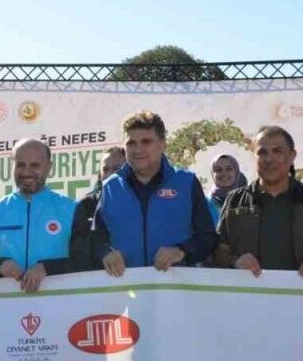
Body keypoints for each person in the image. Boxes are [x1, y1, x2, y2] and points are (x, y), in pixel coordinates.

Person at [93, 112, 218, 276]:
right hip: (126, 287)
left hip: (175, 286)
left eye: (146, 141)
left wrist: (182, 251)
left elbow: (208, 238)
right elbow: (95, 238)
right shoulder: (110, 187)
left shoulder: (186, 182)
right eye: (131, 143)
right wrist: (105, 253)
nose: (138, 149)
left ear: (163, 144)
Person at [212, 127, 303, 277]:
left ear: (292, 156)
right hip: (249, 290)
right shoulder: (235, 201)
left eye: (277, 151)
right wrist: (234, 262)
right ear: (254, 156)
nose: (269, 159)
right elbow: (220, 252)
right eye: (262, 152)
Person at [0, 139, 76, 293]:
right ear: (12, 166)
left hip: (57, 303)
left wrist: (48, 268)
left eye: (35, 165)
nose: (26, 172)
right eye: (20, 165)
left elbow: (85, 261)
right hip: (6, 304)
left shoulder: (71, 209)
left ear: (49, 168)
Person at [69, 147, 125, 272]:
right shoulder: (86, 204)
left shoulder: (141, 202)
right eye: (105, 169)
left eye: (116, 169)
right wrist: (103, 252)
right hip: (98, 277)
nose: (110, 174)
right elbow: (80, 248)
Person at [205, 152, 248, 226]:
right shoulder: (205, 203)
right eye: (218, 170)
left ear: (236, 171)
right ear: (212, 173)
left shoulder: (248, 200)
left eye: (229, 169)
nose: (224, 173)